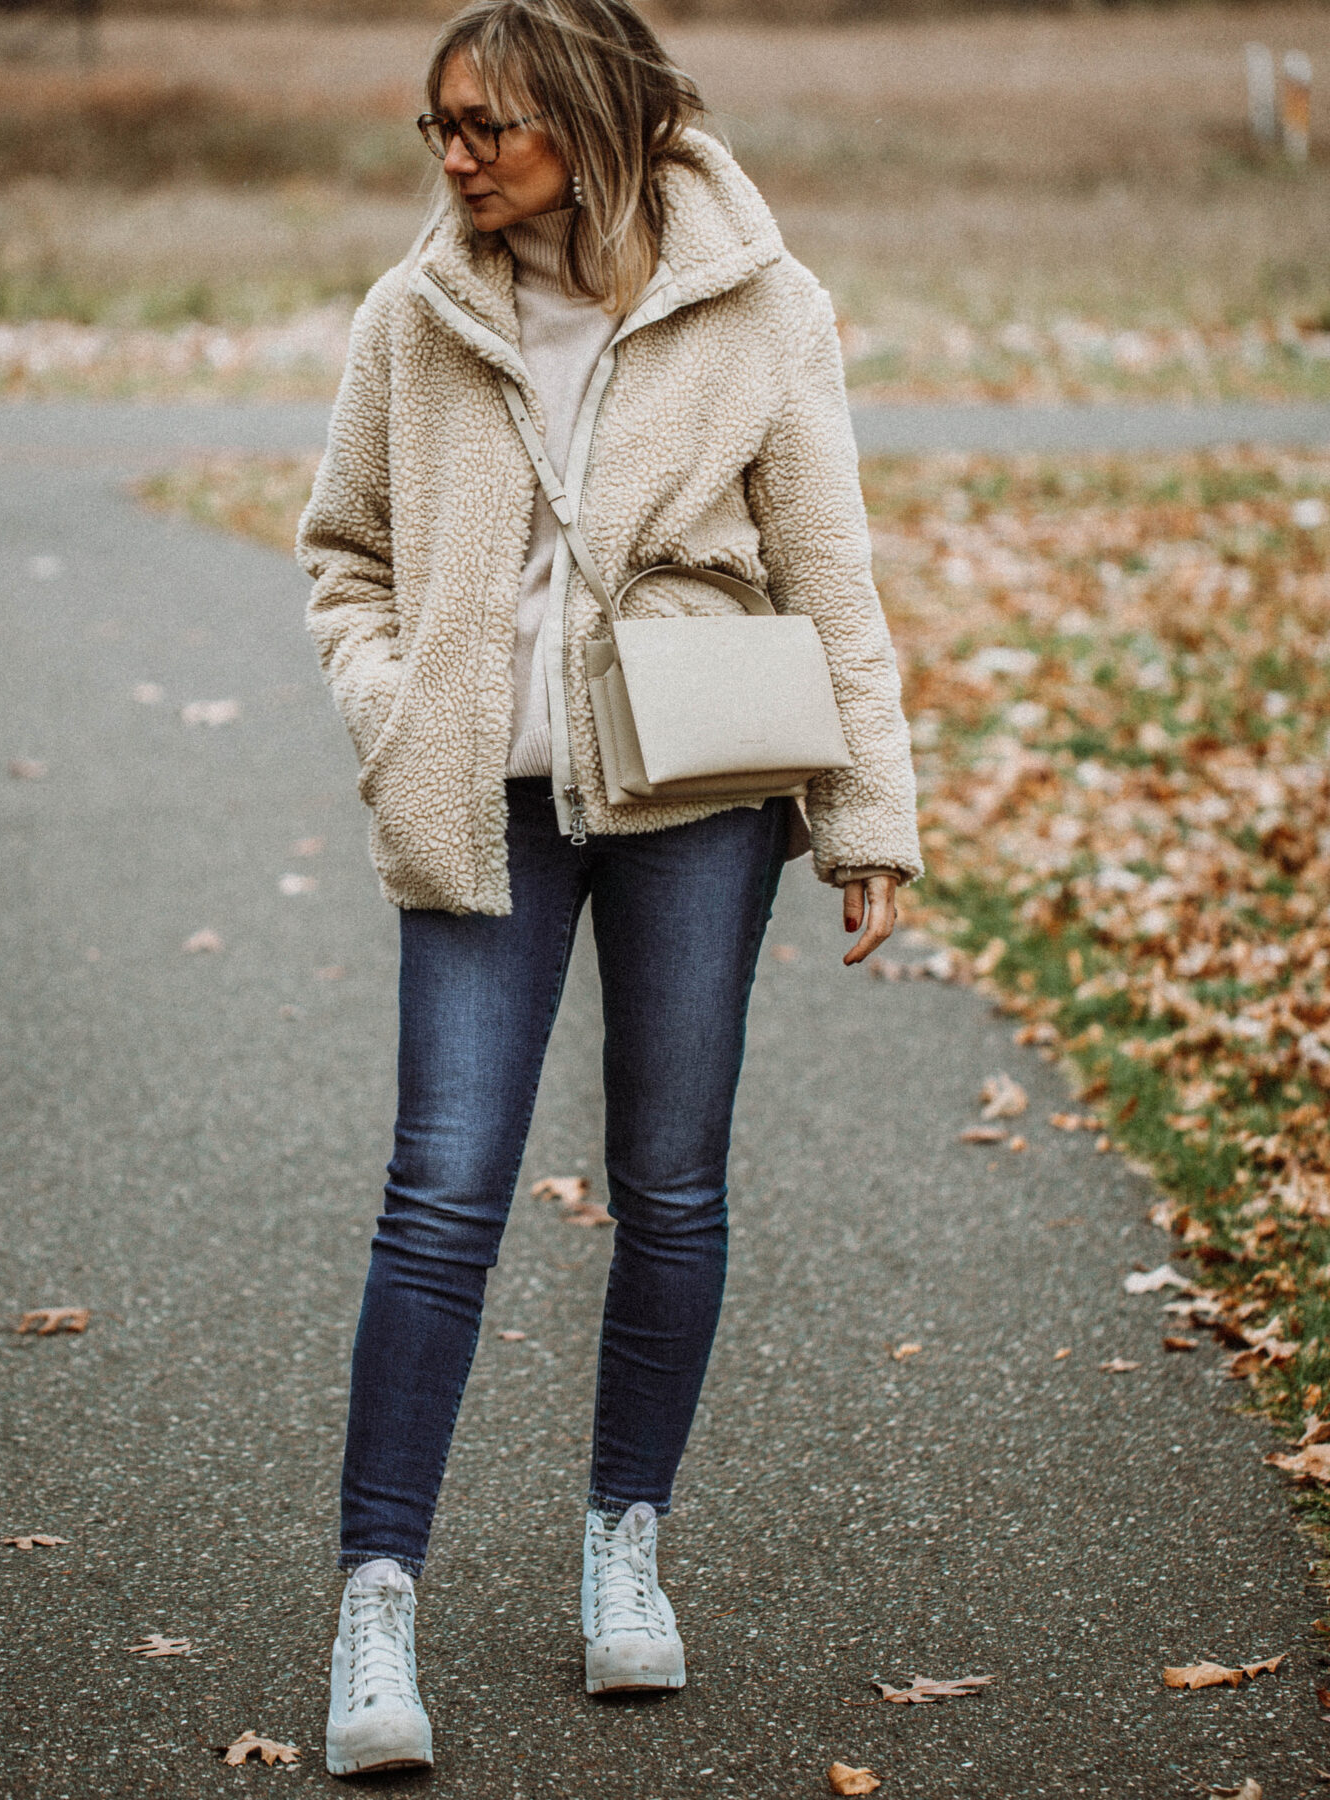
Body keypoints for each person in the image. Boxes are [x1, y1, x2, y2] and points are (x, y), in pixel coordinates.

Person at [295, 0, 922, 1774]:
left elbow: (829, 569)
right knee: (441, 1194)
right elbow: (345, 555)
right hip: (480, 803)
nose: (455, 155)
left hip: (696, 794)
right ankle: (377, 1602)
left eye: (484, 122)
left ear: (593, 111)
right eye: (438, 128)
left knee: (672, 1185)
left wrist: (866, 812)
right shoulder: (412, 317)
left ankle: (623, 1546)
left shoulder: (763, 305)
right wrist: (391, 694)